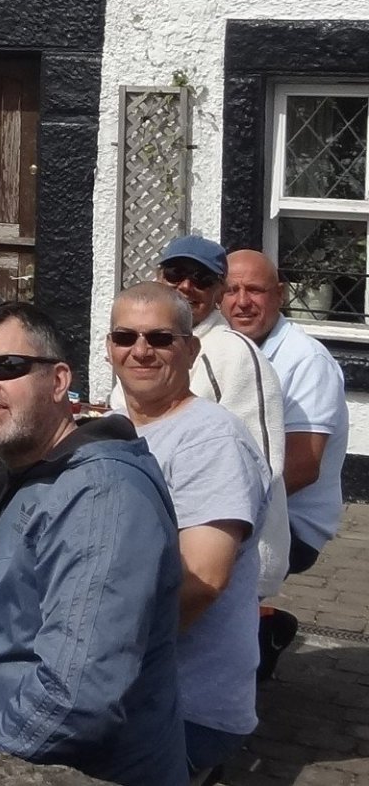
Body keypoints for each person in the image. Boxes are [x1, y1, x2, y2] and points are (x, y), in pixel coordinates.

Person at [0, 300, 184, 786]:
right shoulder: (20, 472)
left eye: (8, 366)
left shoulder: (101, 497)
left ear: (59, 381)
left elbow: (75, 699)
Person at [105, 283, 269, 777]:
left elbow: (202, 581)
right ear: (109, 347)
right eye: (125, 336)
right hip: (125, 689)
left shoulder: (211, 441)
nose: (140, 350)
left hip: (183, 706)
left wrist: (100, 658)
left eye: (160, 338)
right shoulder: (114, 427)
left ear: (191, 350)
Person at [223, 247, 348, 676]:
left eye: (255, 290)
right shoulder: (224, 348)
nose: (242, 302)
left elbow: (302, 466)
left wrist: (219, 510)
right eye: (231, 290)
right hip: (243, 503)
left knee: (191, 568)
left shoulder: (306, 361)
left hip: (292, 522)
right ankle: (263, 628)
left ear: (279, 295)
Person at [156, 236, 290, 604]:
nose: (186, 286)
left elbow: (262, 466)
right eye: (176, 273)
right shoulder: (153, 346)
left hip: (229, 557)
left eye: (201, 279)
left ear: (218, 292)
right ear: (159, 277)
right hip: (172, 541)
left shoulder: (233, 353)